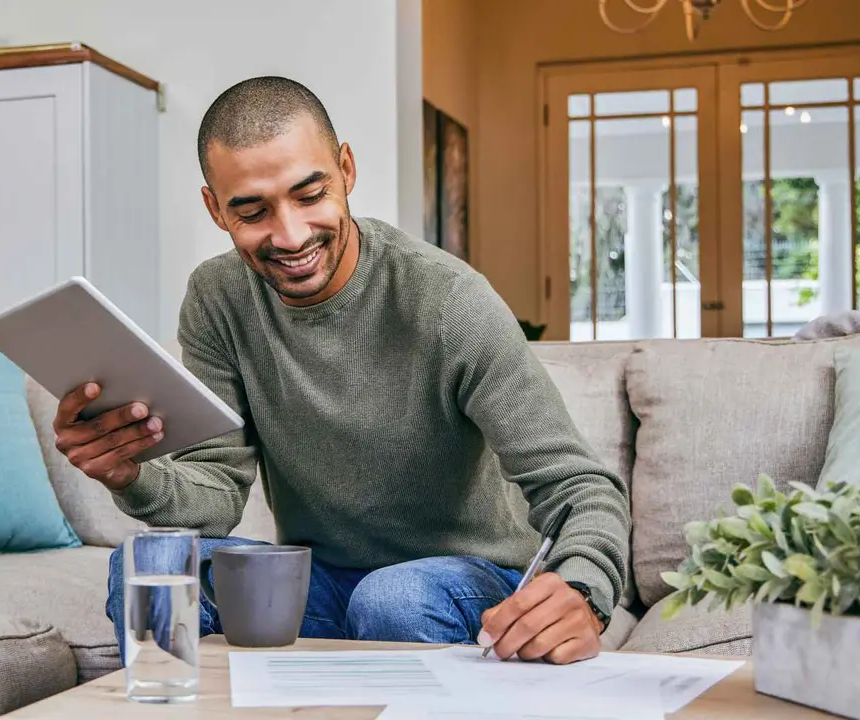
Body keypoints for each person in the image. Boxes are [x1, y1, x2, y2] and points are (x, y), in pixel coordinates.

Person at [52, 76, 629, 664]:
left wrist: (584, 591)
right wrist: (132, 475)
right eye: (252, 211)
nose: (291, 234)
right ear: (215, 209)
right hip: (322, 587)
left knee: (393, 599)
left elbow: (579, 487)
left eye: (310, 195)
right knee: (146, 568)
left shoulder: (450, 302)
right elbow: (217, 496)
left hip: (467, 586)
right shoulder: (217, 298)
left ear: (346, 170)